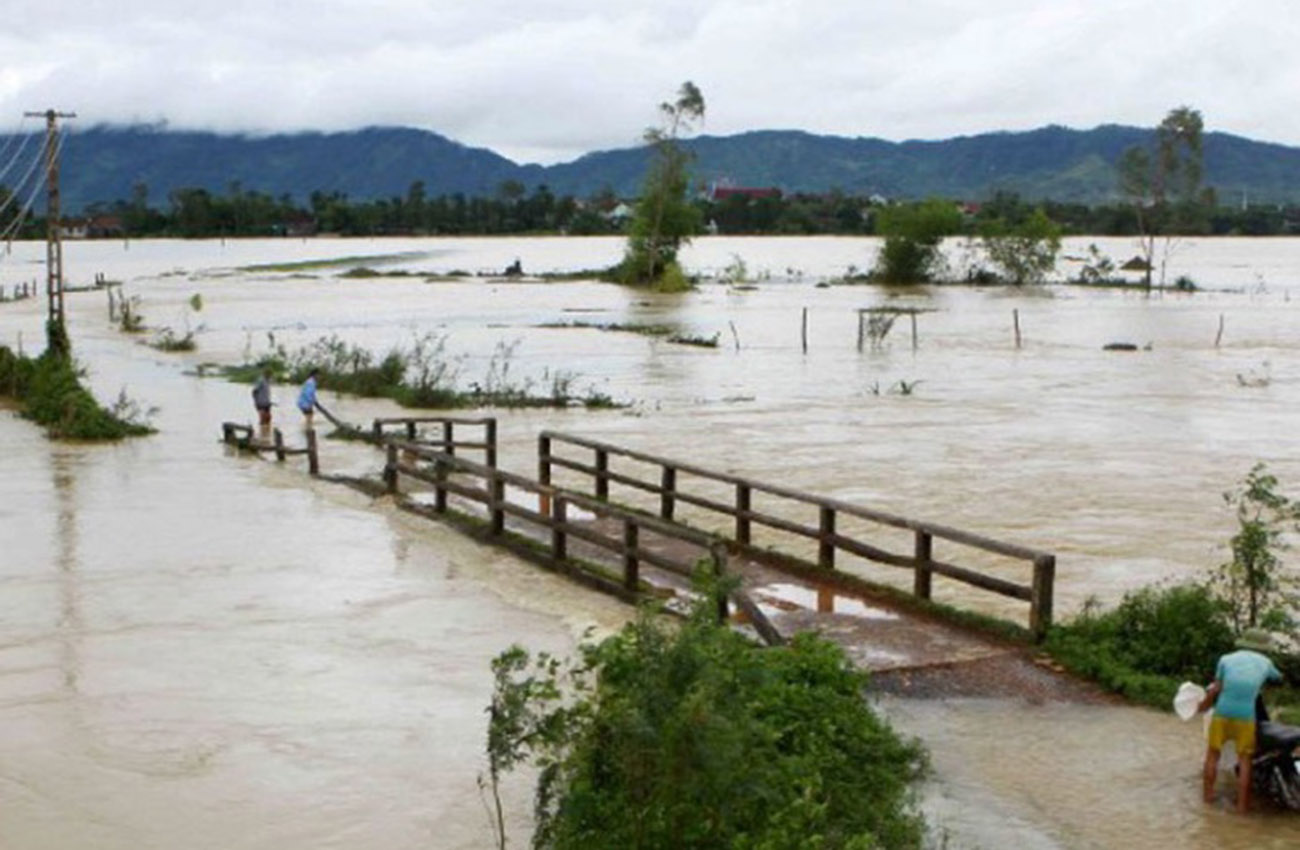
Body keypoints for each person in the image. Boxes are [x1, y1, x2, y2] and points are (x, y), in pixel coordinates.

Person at [1199, 627, 1283, 813]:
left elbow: (1216, 687)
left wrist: (1204, 705)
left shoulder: (1225, 659)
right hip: (1246, 716)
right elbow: (1278, 678)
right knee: (1245, 760)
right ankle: (1242, 807)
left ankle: (1207, 799)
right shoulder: (1266, 662)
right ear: (1263, 646)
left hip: (1222, 712)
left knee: (1213, 755)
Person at [251, 369, 273, 437]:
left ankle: (266, 433)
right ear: (266, 374)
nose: (270, 377)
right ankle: (261, 433)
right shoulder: (260, 380)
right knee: (262, 418)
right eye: (269, 375)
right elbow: (254, 391)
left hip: (266, 402)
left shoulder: (267, 381)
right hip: (260, 402)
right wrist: (256, 401)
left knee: (268, 418)